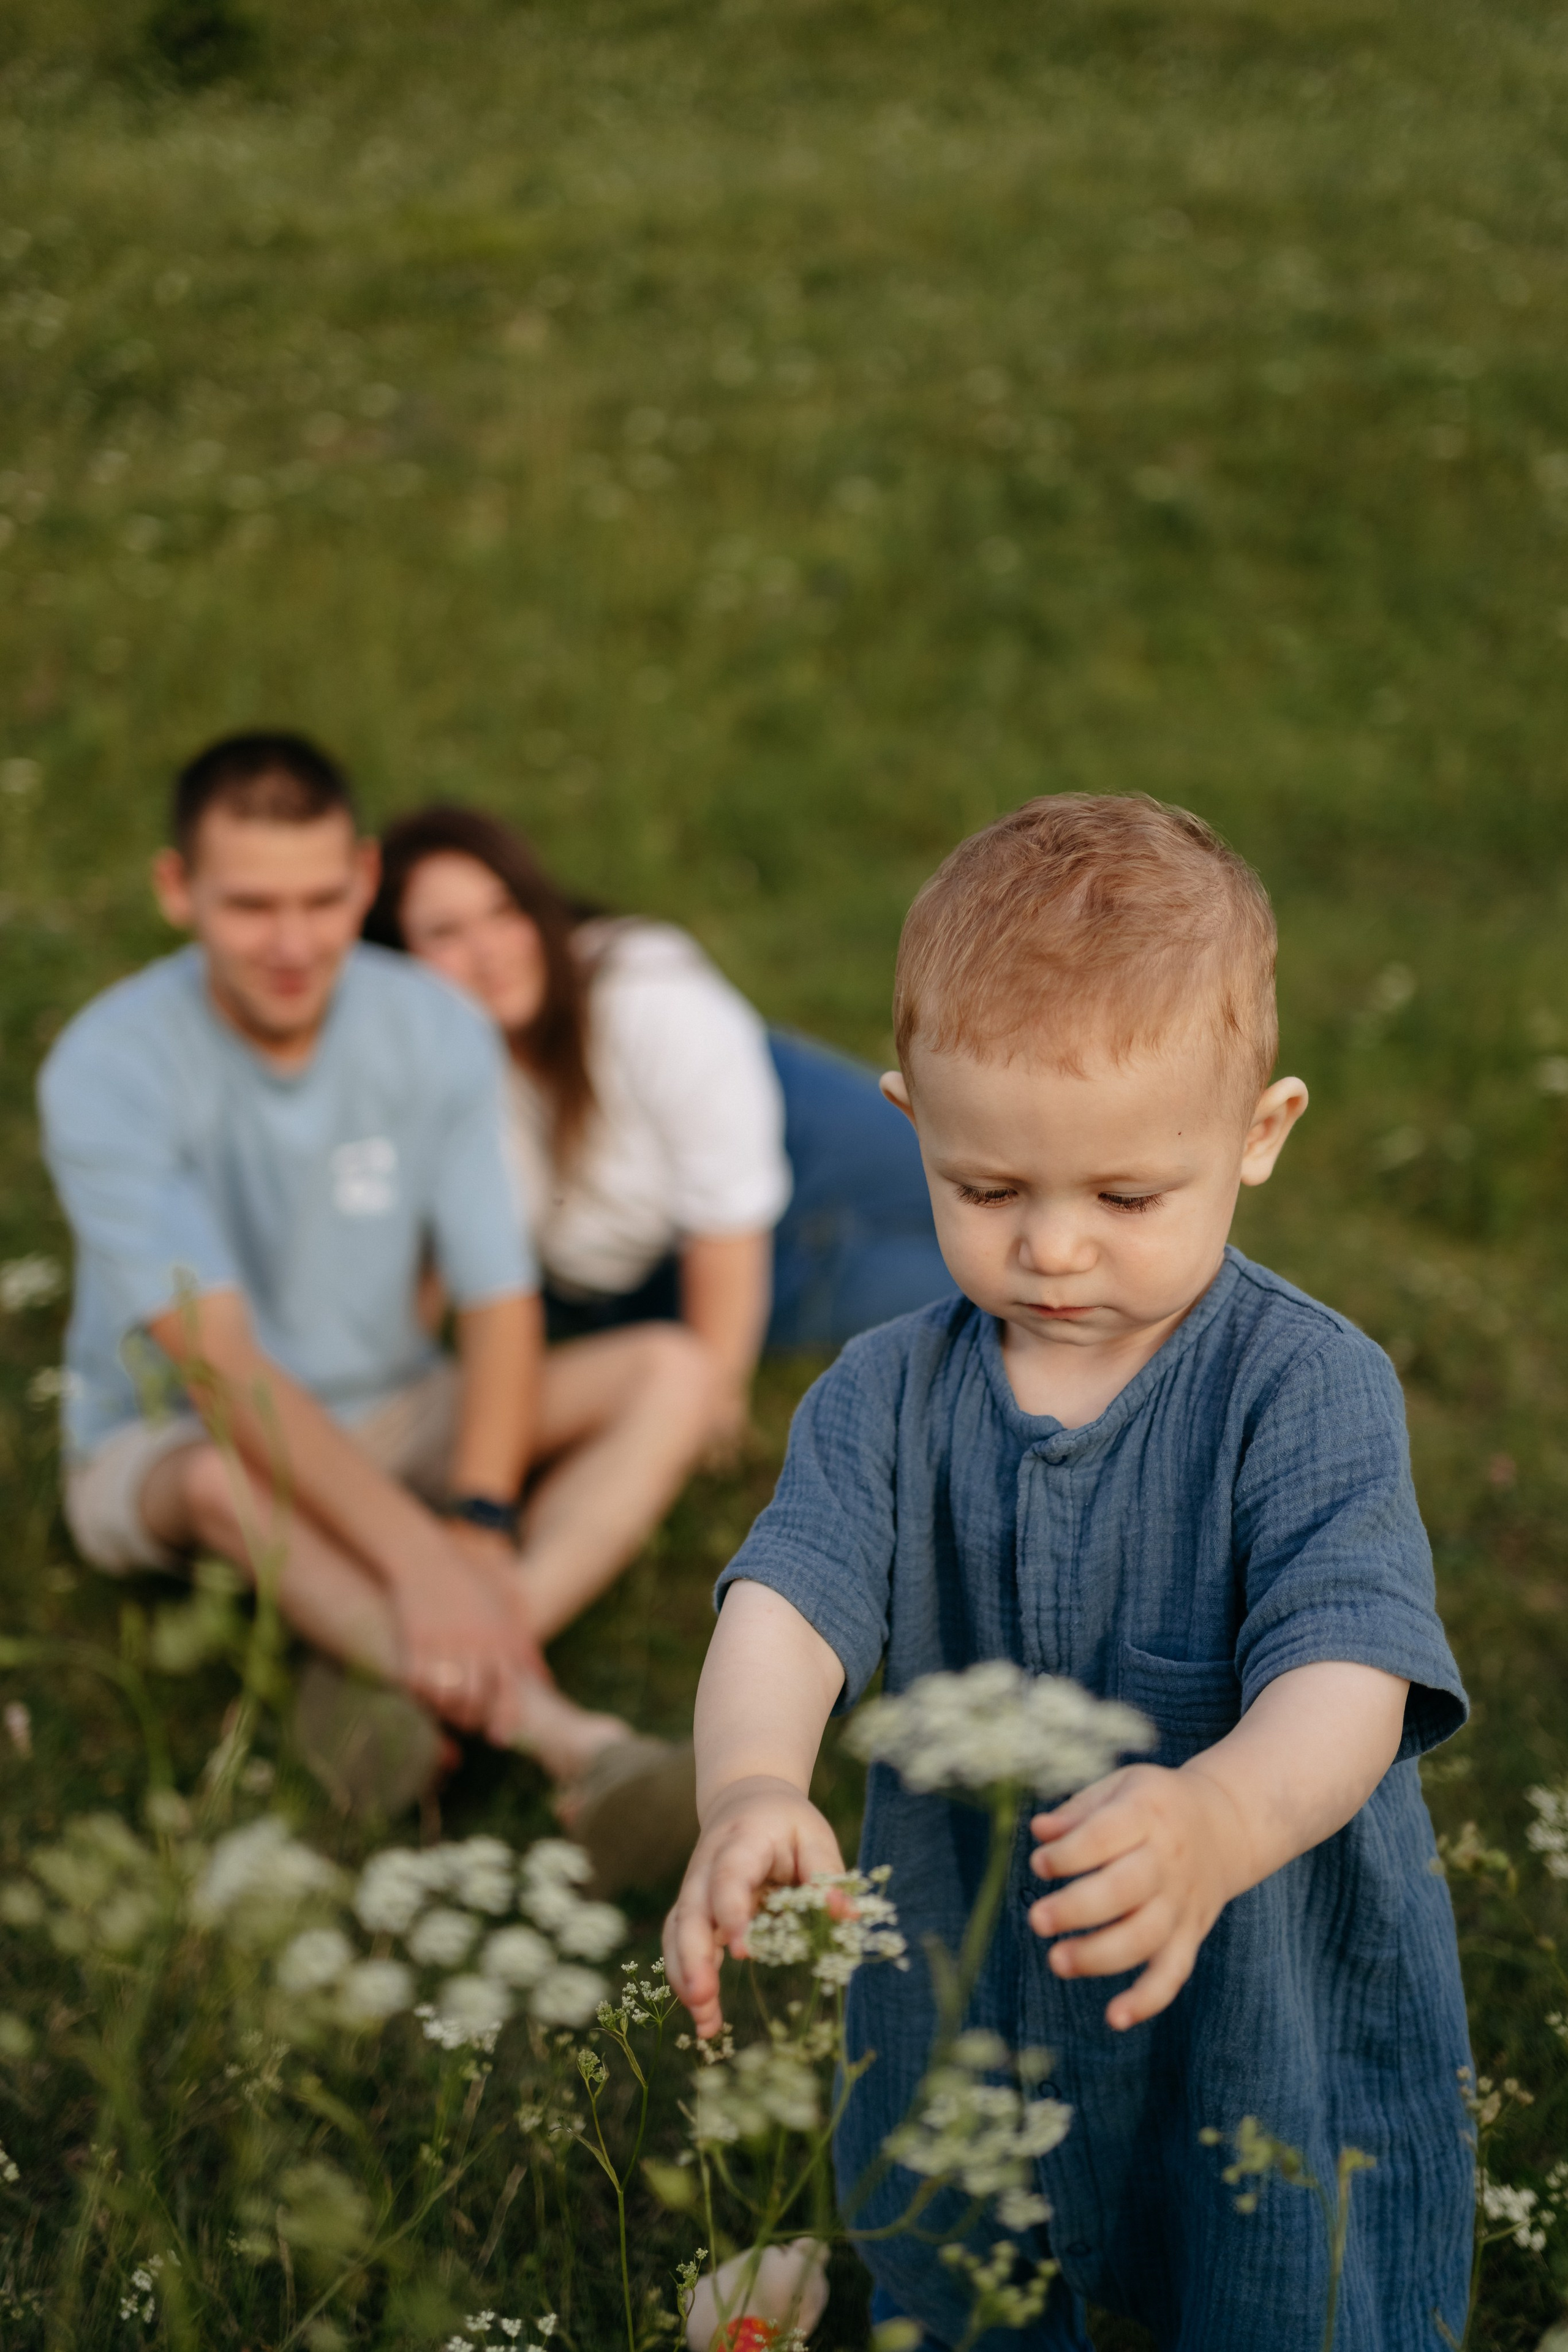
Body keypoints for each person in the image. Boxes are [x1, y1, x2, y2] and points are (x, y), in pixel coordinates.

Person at [665, 795, 1472, 2350]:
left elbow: (1349, 1668)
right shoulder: (882, 1391)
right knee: (968, 2273)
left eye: (1122, 1197)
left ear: (1259, 1134)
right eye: (985, 1192)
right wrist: (749, 1785)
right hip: (969, 1977)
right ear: (909, 1125)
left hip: (1250, 1978)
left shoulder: (1302, 1389)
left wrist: (1223, 1816)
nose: (1051, 1250)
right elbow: (789, 1595)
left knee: (1269, 2269)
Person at [39, 733, 700, 1872]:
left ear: (361, 878)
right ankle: (571, 1742)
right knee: (210, 1479)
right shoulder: (106, 1068)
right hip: (174, 1434)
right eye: (249, 906)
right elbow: (222, 1368)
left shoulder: (433, 1025)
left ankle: (388, 1658)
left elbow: (498, 1298)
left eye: (319, 899)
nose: (292, 944)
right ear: (175, 889)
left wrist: (482, 1523)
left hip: (394, 1400)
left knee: (674, 1371)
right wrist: (421, 1555)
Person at [362, 806, 954, 1625]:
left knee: (985, 1168)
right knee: (980, 1280)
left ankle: (1170, 1218)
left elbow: (727, 1221)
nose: (491, 950)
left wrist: (716, 1398)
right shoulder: (431, 1080)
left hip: (786, 1138)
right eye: (446, 933)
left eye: (504, 912)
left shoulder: (644, 991)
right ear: (397, 965)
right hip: (663, 1267)